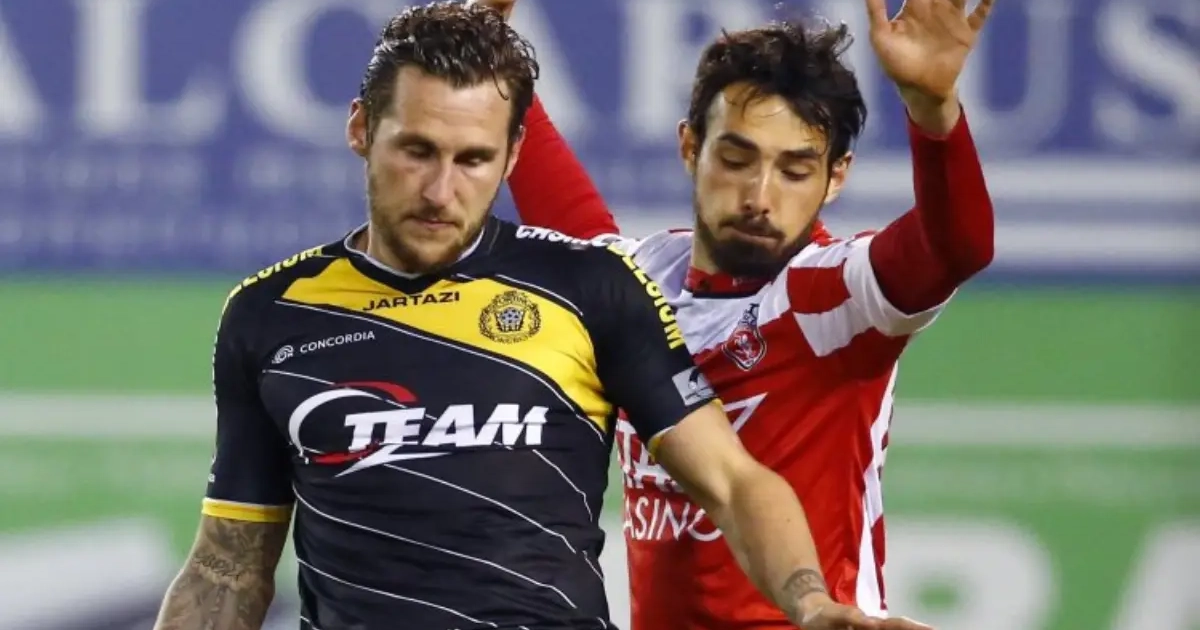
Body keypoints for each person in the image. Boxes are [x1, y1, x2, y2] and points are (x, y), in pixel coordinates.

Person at [150, 3, 929, 630]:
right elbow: (229, 564)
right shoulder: (270, 315)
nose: (441, 189)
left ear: (513, 155)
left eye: (473, 159)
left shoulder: (591, 287)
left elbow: (732, 480)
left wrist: (808, 600)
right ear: (361, 128)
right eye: (417, 150)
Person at [483, 0, 998, 628]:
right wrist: (489, 44)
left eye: (795, 170)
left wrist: (933, 112)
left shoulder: (832, 299)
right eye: (735, 160)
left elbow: (956, 248)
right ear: (689, 147)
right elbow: (565, 213)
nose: (759, 196)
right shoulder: (635, 284)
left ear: (836, 177)